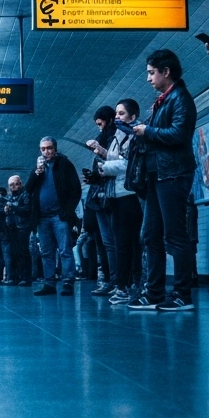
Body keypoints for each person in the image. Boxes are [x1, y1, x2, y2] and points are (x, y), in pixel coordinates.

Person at [127, 49, 198, 312]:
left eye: (151, 73)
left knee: (175, 235)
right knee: (150, 235)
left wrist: (148, 131)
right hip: (158, 176)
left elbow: (180, 134)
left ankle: (182, 294)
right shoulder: (163, 101)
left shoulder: (180, 98)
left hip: (174, 174)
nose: (148, 79)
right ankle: (154, 292)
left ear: (166, 72)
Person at [91, 98, 145, 304]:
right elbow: (116, 159)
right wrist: (102, 155)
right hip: (116, 194)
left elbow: (128, 164)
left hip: (129, 194)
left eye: (121, 114)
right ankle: (124, 284)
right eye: (116, 114)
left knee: (128, 242)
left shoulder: (134, 135)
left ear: (133, 116)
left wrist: (103, 169)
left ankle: (127, 285)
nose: (117, 117)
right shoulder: (117, 136)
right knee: (120, 242)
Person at [27, 137, 81, 296]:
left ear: (55, 148)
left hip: (59, 216)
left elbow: (75, 189)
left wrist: (68, 211)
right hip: (42, 217)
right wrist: (37, 173)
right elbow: (29, 189)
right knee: (46, 251)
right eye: (43, 149)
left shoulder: (64, 165)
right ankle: (49, 282)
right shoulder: (38, 168)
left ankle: (68, 281)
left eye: (49, 148)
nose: (46, 152)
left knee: (65, 250)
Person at [84, 105, 120, 296]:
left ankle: (114, 281)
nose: (99, 128)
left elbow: (116, 164)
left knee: (109, 242)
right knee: (105, 242)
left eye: (100, 124)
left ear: (108, 120)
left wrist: (99, 151)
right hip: (101, 195)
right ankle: (111, 280)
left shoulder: (113, 139)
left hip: (107, 195)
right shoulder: (110, 137)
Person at [4, 175, 33, 285]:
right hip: (13, 228)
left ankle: (25, 278)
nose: (14, 186)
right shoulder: (10, 198)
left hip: (23, 227)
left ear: (21, 183)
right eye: (11, 185)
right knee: (14, 254)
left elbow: (26, 210)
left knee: (23, 253)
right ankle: (16, 277)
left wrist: (13, 208)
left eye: (16, 184)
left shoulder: (26, 195)